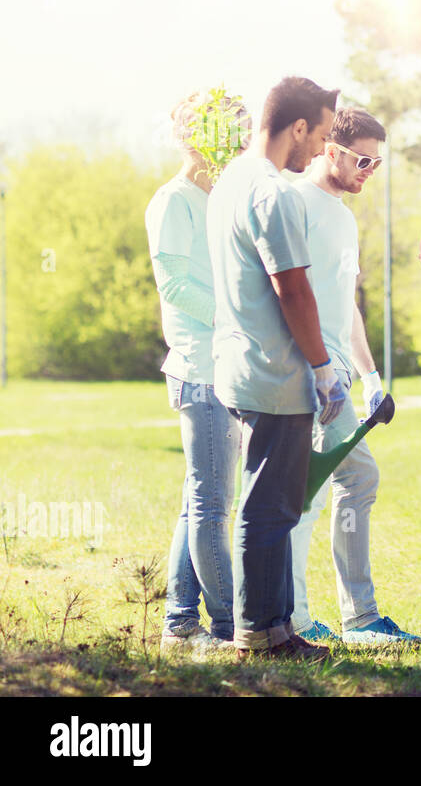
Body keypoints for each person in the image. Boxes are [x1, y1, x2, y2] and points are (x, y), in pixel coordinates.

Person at [208, 75, 344, 660]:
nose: (320, 150)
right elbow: (293, 290)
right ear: (296, 127)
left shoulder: (231, 181)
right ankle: (258, 634)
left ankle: (278, 627)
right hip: (275, 373)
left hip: (241, 366)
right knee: (269, 508)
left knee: (278, 505)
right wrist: (321, 367)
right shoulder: (274, 193)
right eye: (320, 135)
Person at [287, 107, 420, 645]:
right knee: (309, 494)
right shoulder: (297, 202)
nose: (369, 170)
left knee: (340, 483)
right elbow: (286, 293)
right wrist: (316, 369)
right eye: (363, 159)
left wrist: (371, 377)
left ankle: (339, 616)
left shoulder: (344, 216)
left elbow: (347, 306)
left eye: (377, 163)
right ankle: (310, 619)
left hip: (340, 377)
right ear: (330, 149)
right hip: (309, 376)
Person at [146, 91, 249, 652]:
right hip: (201, 368)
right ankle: (228, 628)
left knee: (198, 498)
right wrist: (236, 318)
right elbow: (175, 286)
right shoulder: (173, 201)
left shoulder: (218, 199)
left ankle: (181, 623)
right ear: (199, 138)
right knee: (213, 504)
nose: (237, 144)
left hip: (224, 366)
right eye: (229, 133)